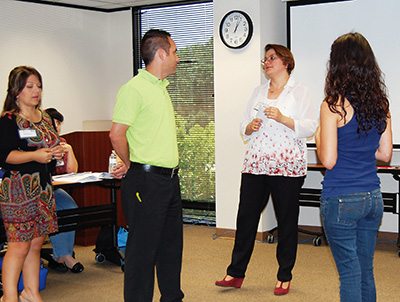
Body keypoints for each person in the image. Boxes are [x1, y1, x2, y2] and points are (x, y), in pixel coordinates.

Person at [215, 44, 318, 295]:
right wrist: (249, 126)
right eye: (265, 59)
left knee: (286, 221)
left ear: (286, 61)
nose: (267, 62)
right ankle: (235, 272)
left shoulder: (300, 91)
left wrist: (283, 118)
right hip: (256, 163)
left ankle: (284, 275)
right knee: (246, 218)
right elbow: (243, 125)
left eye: (272, 58)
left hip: (286, 166)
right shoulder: (258, 92)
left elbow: (310, 126)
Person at [315, 32, 392, 302]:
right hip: (372, 198)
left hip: (341, 199)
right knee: (365, 269)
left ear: (337, 65)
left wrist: (317, 137)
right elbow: (385, 153)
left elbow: (329, 160)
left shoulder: (333, 106)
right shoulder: (380, 104)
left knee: (349, 273)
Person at [109, 29, 183, 302]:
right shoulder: (134, 89)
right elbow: (116, 134)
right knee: (142, 253)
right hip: (146, 181)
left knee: (171, 247)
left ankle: (172, 298)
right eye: (174, 52)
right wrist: (130, 164)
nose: (177, 57)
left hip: (169, 180)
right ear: (161, 54)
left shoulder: (161, 87)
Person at [0, 66, 63, 302]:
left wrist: (54, 153)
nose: (36, 91)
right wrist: (34, 156)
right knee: (18, 246)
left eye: (38, 86)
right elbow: (4, 156)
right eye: (29, 86)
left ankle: (30, 292)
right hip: (17, 190)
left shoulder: (45, 117)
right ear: (16, 91)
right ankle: (9, 297)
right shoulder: (8, 120)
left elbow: (47, 147)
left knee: (36, 243)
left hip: (43, 188)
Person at [45, 108, 84, 273]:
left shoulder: (62, 142)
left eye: (59, 123)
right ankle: (65, 256)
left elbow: (72, 172)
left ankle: (61, 255)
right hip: (39, 190)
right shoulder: (38, 144)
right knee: (53, 210)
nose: (57, 126)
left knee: (69, 207)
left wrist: (70, 150)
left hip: (56, 189)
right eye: (53, 123)